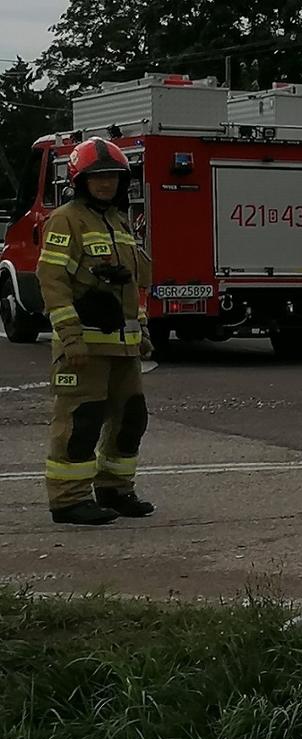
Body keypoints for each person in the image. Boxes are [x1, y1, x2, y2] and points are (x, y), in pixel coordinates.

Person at [37, 136, 154, 525]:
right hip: (84, 345)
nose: (106, 184)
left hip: (124, 347)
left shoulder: (120, 222)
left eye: (113, 177)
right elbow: (52, 281)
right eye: (97, 177)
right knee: (81, 420)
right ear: (80, 180)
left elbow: (137, 282)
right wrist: (70, 337)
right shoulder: (66, 219)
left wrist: (144, 332)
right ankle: (68, 500)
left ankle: (115, 490)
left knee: (131, 417)